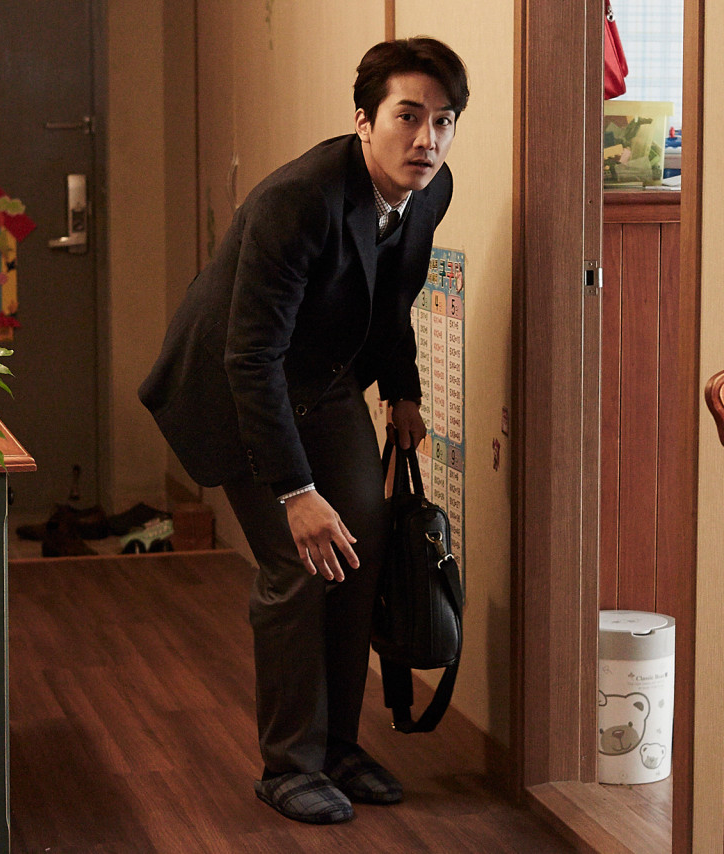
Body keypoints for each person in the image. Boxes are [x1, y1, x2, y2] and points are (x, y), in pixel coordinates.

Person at [139, 37, 468, 825]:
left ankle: (338, 748)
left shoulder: (430, 189)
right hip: (236, 387)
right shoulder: (299, 200)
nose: (426, 139)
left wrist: (404, 390)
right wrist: (295, 492)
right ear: (364, 121)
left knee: (361, 549)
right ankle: (288, 764)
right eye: (408, 116)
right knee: (298, 563)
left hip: (324, 381)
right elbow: (249, 355)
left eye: (443, 120)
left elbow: (392, 293)